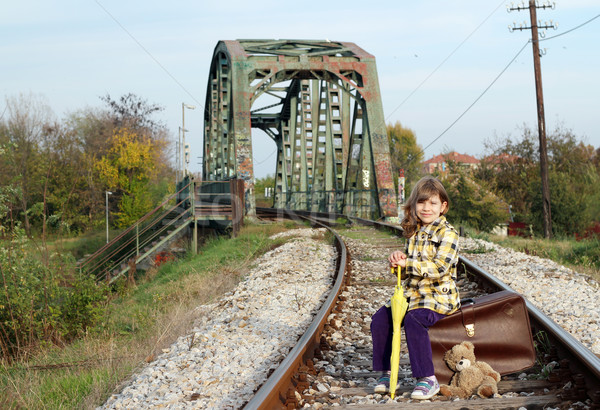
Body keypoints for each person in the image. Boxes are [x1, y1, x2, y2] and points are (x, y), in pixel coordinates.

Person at [370, 176, 460, 400]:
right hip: (412, 295)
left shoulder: (448, 234)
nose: (426, 208)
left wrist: (408, 263)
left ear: (443, 206)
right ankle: (387, 372)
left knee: (414, 319)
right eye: (421, 203)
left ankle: (427, 379)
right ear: (414, 205)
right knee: (380, 319)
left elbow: (439, 268)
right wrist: (397, 261)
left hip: (438, 297)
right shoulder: (414, 232)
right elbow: (406, 271)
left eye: (433, 203)